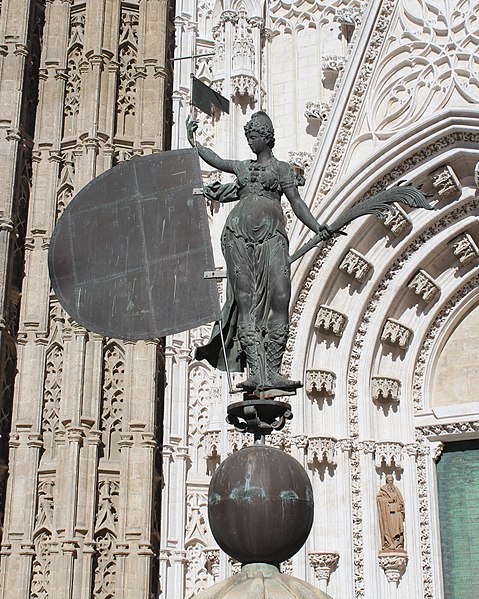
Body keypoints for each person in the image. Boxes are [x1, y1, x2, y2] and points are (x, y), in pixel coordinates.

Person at [186, 112, 331, 392]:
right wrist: (194, 142)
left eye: (253, 137)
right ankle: (256, 372)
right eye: (248, 137)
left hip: (272, 235)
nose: (250, 142)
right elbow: (216, 160)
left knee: (280, 294)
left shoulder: (283, 170)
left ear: (266, 137)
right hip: (238, 235)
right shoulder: (242, 168)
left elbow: (297, 203)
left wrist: (317, 227)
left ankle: (273, 371)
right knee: (245, 301)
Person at [376, 475, 405, 552]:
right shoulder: (383, 490)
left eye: (392, 480)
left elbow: (401, 501)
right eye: (389, 480)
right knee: (389, 528)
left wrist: (399, 505)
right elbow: (379, 499)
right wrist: (389, 500)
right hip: (387, 513)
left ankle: (398, 543)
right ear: (386, 481)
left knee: (398, 528)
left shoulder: (396, 490)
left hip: (396, 513)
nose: (390, 482)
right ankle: (389, 542)